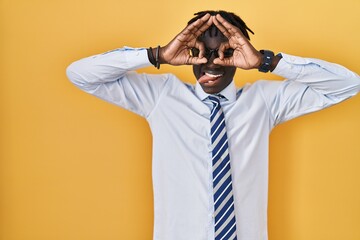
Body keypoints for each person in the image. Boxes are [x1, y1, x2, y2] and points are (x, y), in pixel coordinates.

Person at [66, 10, 359, 240]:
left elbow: (347, 85)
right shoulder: (161, 96)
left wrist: (266, 62)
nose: (212, 62)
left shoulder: (264, 101)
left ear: (242, 54)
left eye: (226, 51)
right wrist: (157, 55)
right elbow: (80, 74)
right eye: (201, 51)